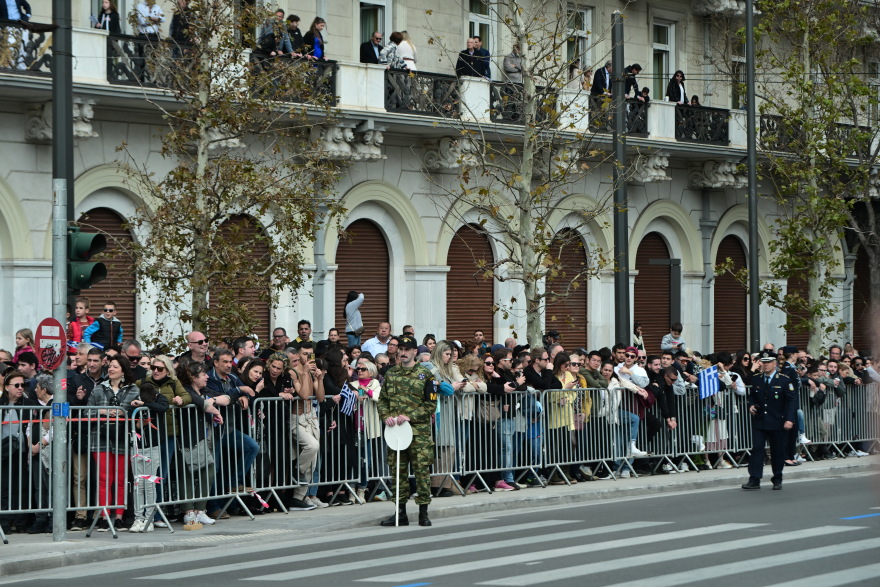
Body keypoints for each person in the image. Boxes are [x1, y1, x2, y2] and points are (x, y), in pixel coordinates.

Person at [378, 335, 436, 527]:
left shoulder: (426, 375)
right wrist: (385, 416)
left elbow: (431, 405)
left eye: (407, 349)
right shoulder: (391, 374)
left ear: (414, 352)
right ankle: (400, 513)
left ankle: (423, 513)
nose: (403, 353)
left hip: (419, 433)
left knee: (421, 472)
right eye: (401, 349)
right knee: (398, 473)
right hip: (396, 432)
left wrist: (410, 415)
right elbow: (383, 400)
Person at [88, 355, 141, 531]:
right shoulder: (98, 389)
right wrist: (102, 411)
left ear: (123, 370)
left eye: (115, 367)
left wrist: (120, 412)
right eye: (110, 366)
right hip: (100, 438)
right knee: (104, 479)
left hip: (122, 438)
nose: (111, 369)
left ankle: (119, 516)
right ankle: (104, 516)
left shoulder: (133, 390)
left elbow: (135, 411)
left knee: (121, 479)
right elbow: (86, 412)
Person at [742, 350, 797, 491]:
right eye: (764, 362)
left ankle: (777, 478)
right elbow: (752, 396)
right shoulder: (756, 379)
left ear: (775, 363)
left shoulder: (784, 380)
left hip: (777, 421)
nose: (765, 365)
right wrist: (751, 405)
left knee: (777, 451)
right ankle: (754, 479)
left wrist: (789, 419)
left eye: (769, 362)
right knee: (757, 449)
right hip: (760, 420)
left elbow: (791, 402)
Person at [128, 381, 169, 532]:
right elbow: (128, 415)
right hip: (137, 448)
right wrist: (136, 409)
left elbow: (163, 407)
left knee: (150, 484)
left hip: (153, 447)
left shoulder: (160, 398)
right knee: (138, 484)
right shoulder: (135, 399)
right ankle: (138, 518)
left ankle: (149, 519)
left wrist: (145, 405)